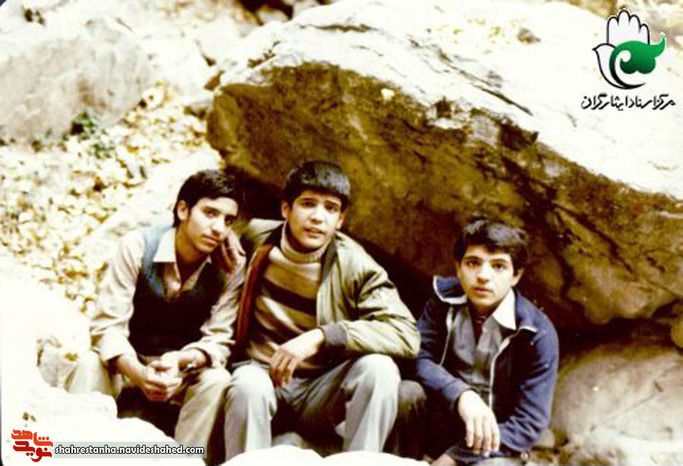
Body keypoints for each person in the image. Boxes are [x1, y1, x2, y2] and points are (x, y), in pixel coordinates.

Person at [223, 160, 420, 460]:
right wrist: (224, 235)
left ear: (340, 220)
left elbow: (406, 334)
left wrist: (322, 336)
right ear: (286, 209)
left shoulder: (356, 265)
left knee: (379, 368)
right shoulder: (256, 237)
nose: (318, 217)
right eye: (308, 204)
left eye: (330, 208)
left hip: (321, 392)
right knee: (246, 385)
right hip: (263, 378)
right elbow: (212, 234)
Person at [67, 169, 245, 456]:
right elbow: (107, 327)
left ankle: (185, 461)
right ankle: (74, 454)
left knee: (218, 380)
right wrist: (139, 373)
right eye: (210, 213)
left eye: (228, 220)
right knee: (89, 364)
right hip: (128, 365)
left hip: (180, 373)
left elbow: (218, 341)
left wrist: (179, 361)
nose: (218, 228)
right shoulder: (138, 246)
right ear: (183, 210)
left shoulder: (229, 268)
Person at [415, 218, 559, 465]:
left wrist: (454, 457)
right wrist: (461, 394)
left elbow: (529, 423)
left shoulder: (536, 332)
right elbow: (418, 358)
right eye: (473, 263)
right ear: (458, 267)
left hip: (495, 446)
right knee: (406, 394)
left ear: (516, 276)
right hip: (438, 429)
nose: (483, 276)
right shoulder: (442, 301)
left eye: (498, 266)